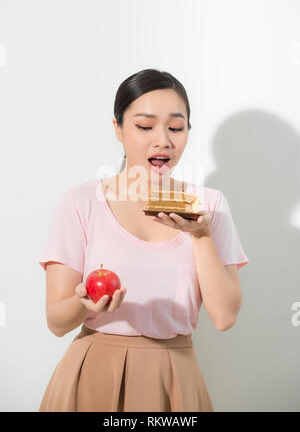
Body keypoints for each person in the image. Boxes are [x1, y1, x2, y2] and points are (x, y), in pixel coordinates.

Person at [38, 68, 249, 412]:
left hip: (174, 378)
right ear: (118, 129)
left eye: (176, 127)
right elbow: (56, 321)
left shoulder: (209, 207)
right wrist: (84, 304)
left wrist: (201, 236)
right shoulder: (81, 203)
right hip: (91, 374)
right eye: (145, 126)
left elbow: (225, 317)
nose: (163, 139)